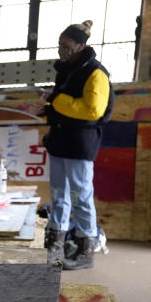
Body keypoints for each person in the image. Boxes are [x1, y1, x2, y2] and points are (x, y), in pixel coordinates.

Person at [42, 19, 113, 270]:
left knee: (81, 196)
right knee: (59, 195)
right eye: (59, 44)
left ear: (80, 45)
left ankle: (85, 252)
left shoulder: (95, 72)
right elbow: (65, 103)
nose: (61, 48)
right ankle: (55, 246)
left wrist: (56, 100)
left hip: (80, 144)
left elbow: (93, 110)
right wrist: (48, 107)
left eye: (66, 44)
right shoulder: (67, 70)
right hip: (60, 141)